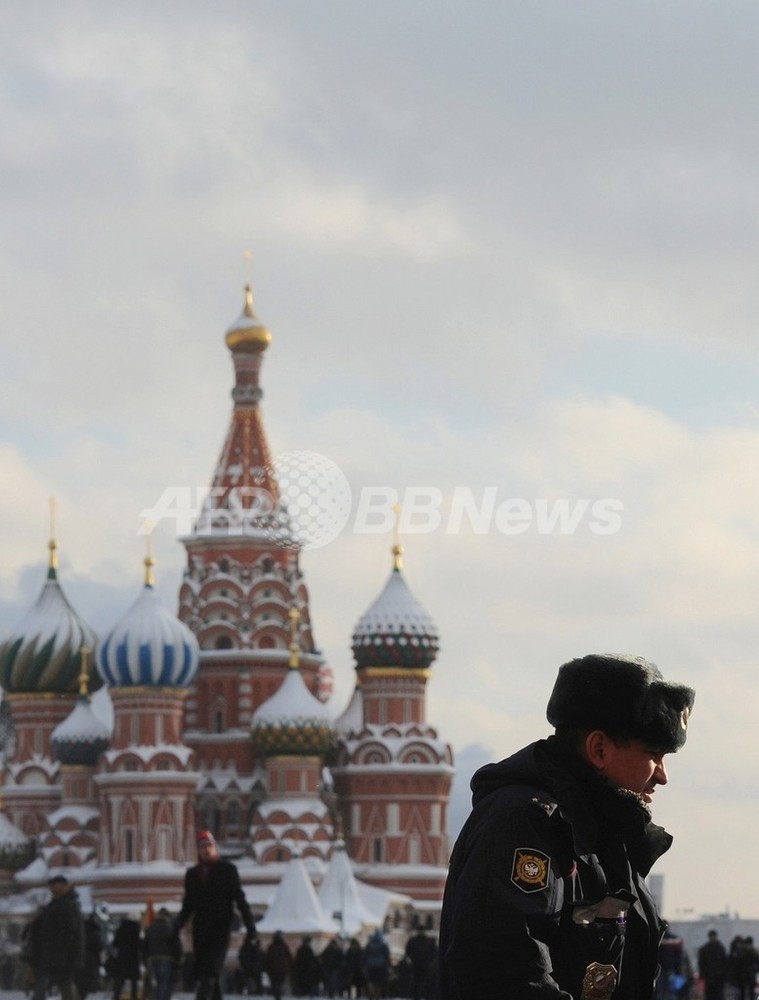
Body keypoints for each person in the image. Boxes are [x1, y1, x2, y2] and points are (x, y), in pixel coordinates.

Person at [439, 652, 695, 1000]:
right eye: (653, 754)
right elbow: (504, 976)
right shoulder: (525, 823)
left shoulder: (604, 837)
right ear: (599, 748)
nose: (662, 776)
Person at [176, 829, 256, 1000]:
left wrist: (251, 927)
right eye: (203, 847)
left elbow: (240, 900)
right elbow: (188, 905)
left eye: (209, 846)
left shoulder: (227, 870)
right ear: (198, 851)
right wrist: (176, 926)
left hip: (220, 931)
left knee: (210, 973)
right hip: (200, 933)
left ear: (215, 848)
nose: (206, 850)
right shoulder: (192, 875)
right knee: (208, 974)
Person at [34, 875, 85, 1000]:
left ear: (62, 886)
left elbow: (68, 931)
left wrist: (60, 953)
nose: (51, 889)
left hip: (64, 954)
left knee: (65, 983)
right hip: (60, 953)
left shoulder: (65, 904)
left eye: (54, 886)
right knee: (65, 983)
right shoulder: (59, 903)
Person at [144, 907, 181, 1000]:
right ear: (167, 916)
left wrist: (146, 959)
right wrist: (178, 959)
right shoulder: (170, 928)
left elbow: (144, 945)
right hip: (166, 958)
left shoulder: (150, 928)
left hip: (152, 959)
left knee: (154, 983)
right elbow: (176, 945)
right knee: (163, 983)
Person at [111, 914, 142, 1000]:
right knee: (134, 983)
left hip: (122, 958)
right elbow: (139, 945)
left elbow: (115, 944)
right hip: (133, 959)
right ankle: (134, 997)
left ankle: (116, 997)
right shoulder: (136, 929)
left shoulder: (121, 929)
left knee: (119, 982)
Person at [405, 924, 438, 1000]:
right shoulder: (415, 941)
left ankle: (425, 997)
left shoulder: (427, 941)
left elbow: (434, 953)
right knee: (418, 984)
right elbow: (408, 952)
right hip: (418, 966)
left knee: (425, 984)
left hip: (424, 966)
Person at [699, 930, 728, 1000]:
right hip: (717, 977)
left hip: (711, 977)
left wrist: (703, 974)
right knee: (718, 995)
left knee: (711, 996)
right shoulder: (721, 948)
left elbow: (701, 964)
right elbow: (725, 963)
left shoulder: (704, 949)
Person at [264, 931, 293, 1000]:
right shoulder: (284, 946)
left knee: (275, 984)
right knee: (279, 983)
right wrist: (290, 966)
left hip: (273, 969)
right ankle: (278, 995)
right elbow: (289, 957)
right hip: (283, 969)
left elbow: (268, 958)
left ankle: (277, 996)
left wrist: (267, 967)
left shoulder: (271, 947)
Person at [363, 929, 390, 999]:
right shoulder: (383, 945)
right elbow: (387, 955)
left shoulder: (369, 945)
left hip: (370, 966)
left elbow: (365, 955)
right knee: (379, 983)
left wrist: (364, 965)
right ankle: (377, 996)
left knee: (371, 981)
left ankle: (371, 994)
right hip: (381, 966)